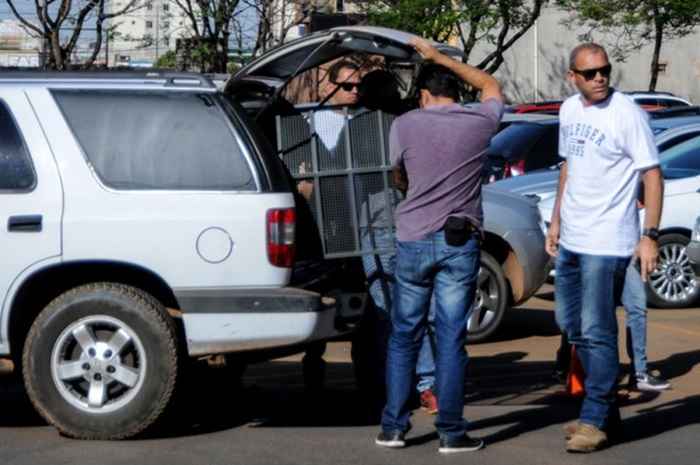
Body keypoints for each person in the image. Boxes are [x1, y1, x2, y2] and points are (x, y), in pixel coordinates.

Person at [374, 37, 504, 454]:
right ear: (455, 92)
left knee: (403, 336)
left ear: (424, 94)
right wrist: (439, 56)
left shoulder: (404, 124)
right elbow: (491, 86)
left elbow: (398, 175)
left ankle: (393, 428)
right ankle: (451, 432)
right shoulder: (479, 122)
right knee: (450, 338)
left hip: (411, 240)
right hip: (458, 242)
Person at [546, 43, 664, 453]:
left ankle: (594, 418)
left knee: (597, 331)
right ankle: (606, 412)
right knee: (571, 325)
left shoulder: (626, 113)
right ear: (572, 77)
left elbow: (652, 173)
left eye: (605, 71)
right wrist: (557, 219)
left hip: (608, 240)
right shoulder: (569, 110)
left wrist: (649, 235)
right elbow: (569, 166)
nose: (600, 78)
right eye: (591, 73)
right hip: (573, 239)